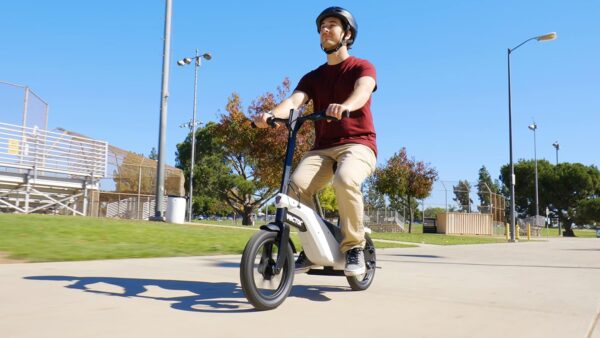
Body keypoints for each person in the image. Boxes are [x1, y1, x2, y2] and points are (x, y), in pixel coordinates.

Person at [252, 6, 377, 276]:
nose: (325, 30)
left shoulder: (361, 66)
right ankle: (313, 249)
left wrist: (344, 106)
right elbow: (294, 102)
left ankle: (354, 246)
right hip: (322, 148)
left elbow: (363, 90)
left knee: (345, 180)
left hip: (358, 144)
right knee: (293, 190)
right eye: (322, 26)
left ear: (347, 34)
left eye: (332, 25)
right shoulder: (313, 77)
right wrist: (271, 115)